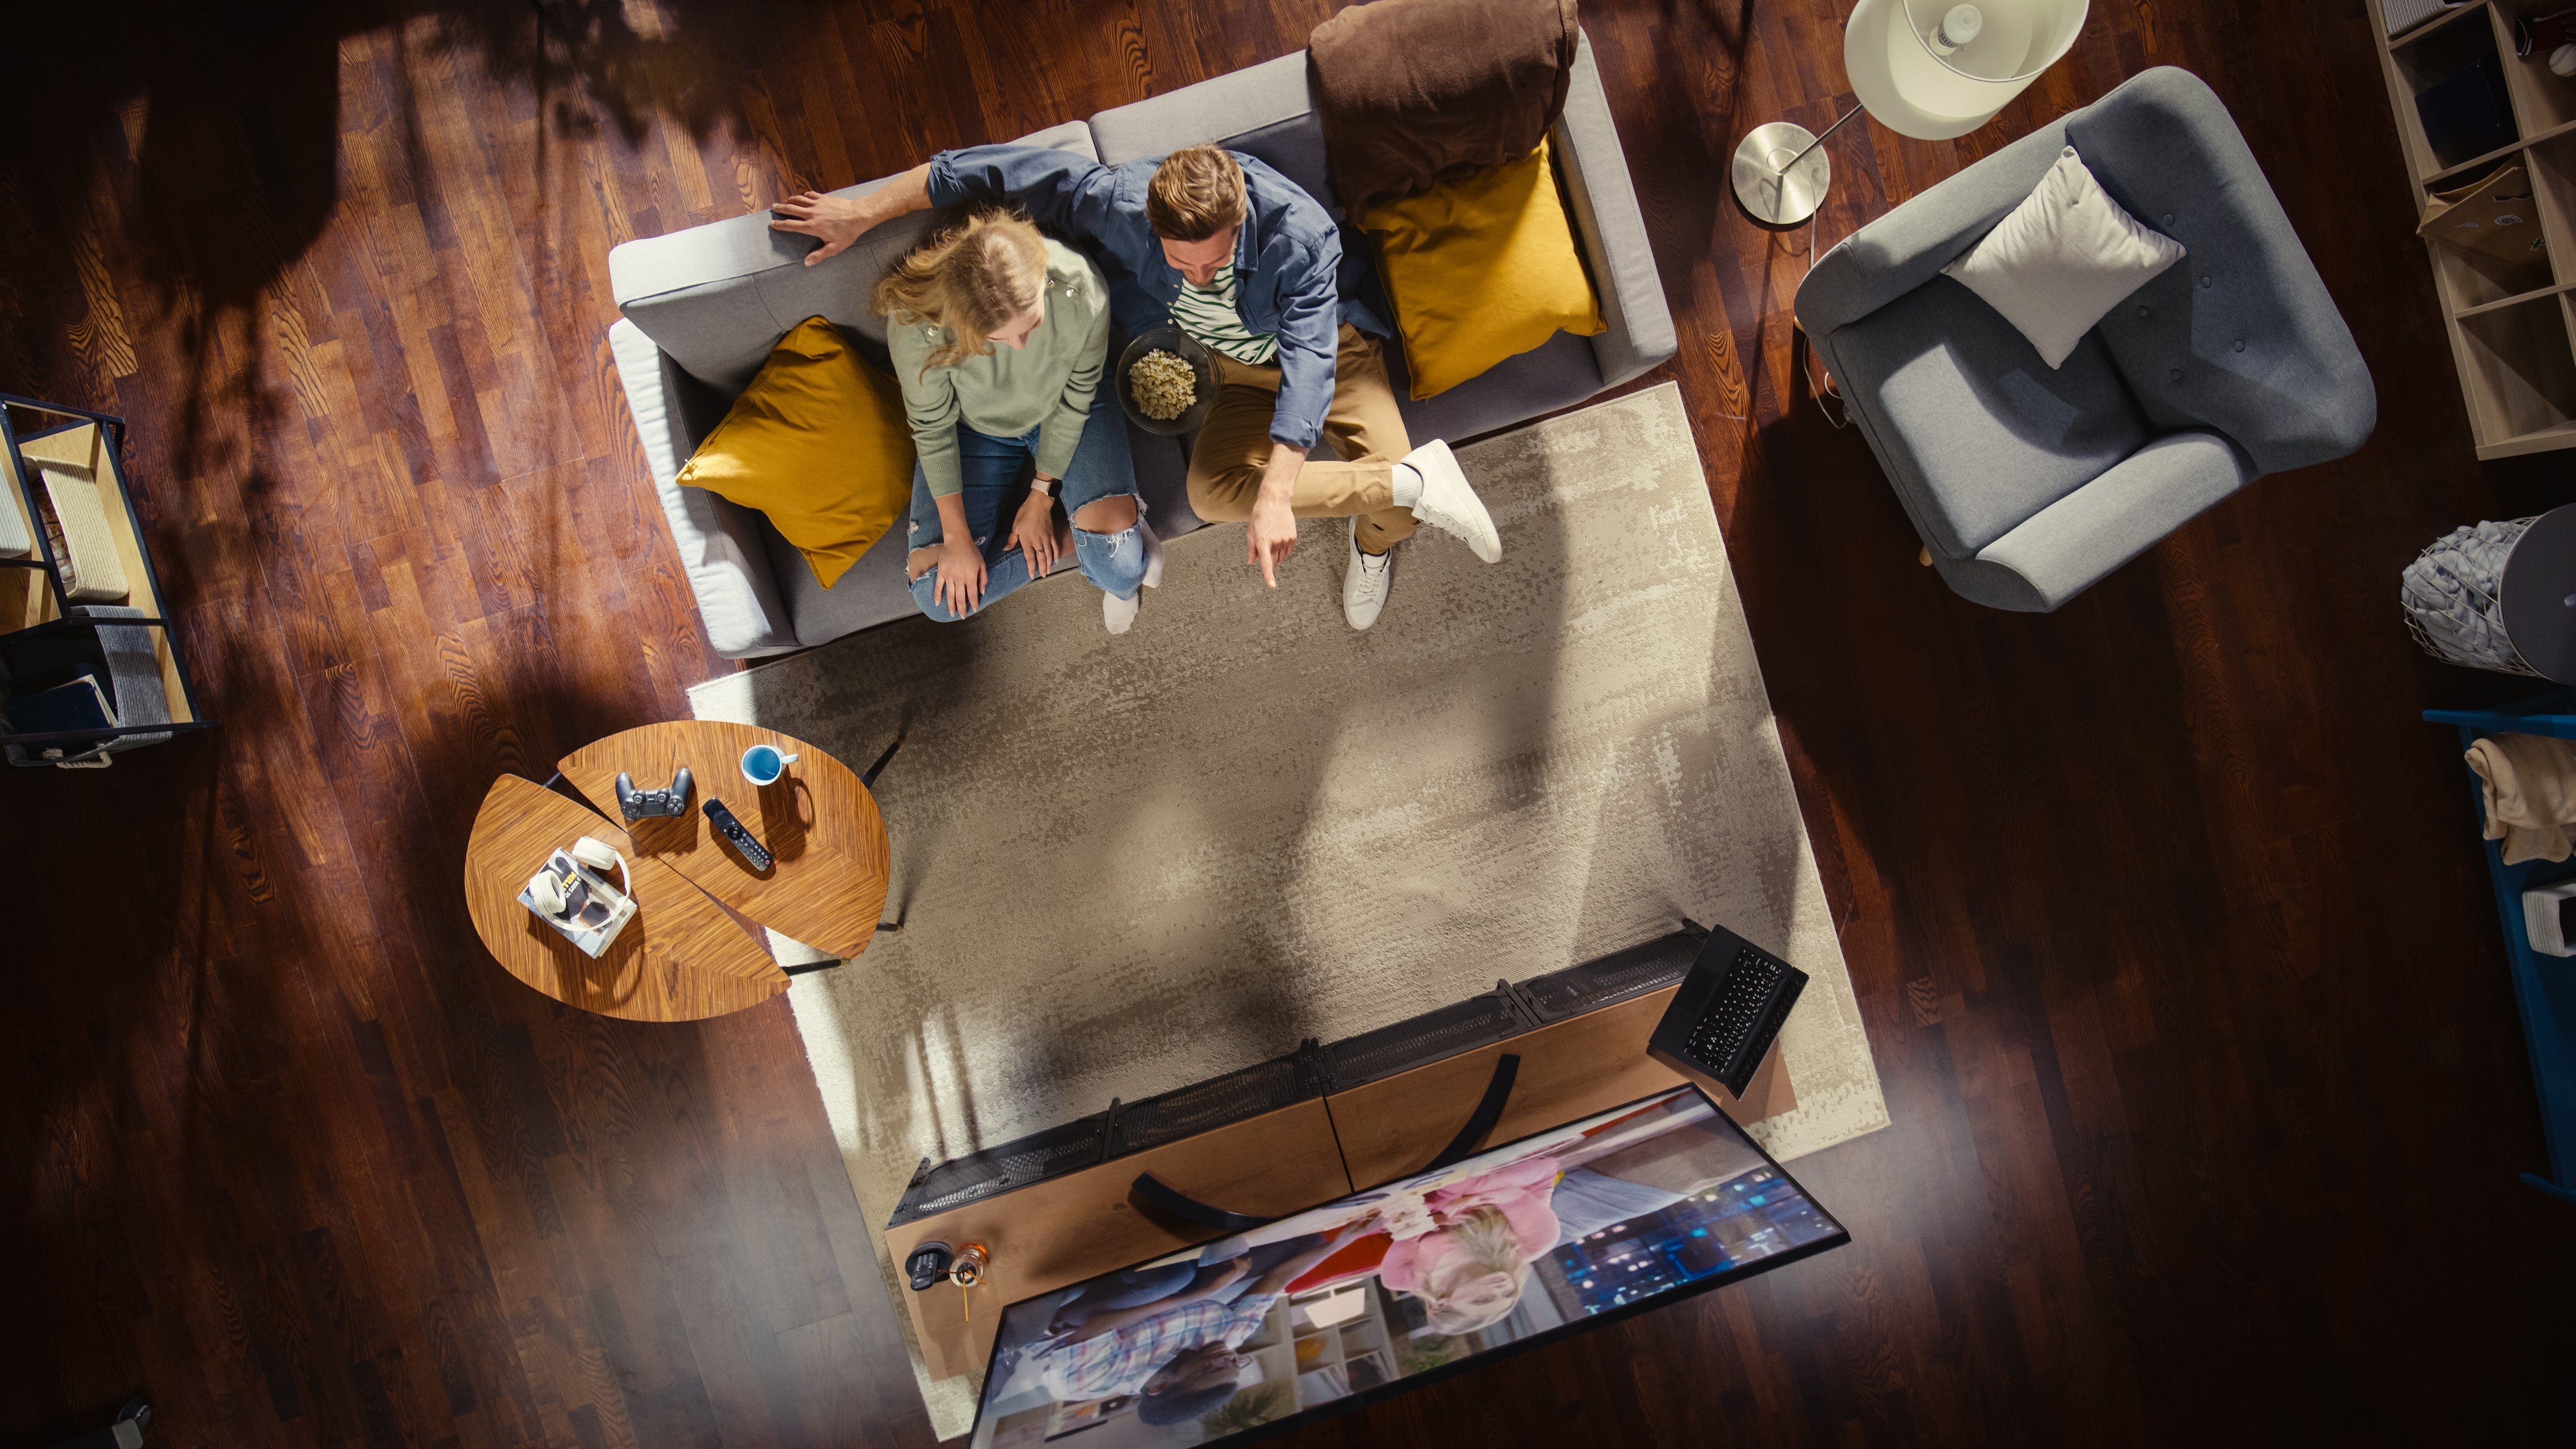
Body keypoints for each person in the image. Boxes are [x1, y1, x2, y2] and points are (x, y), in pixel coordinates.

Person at [773, 144, 1502, 632]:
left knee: (1389, 510)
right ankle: (1409, 483)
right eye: (1179, 264)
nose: (1198, 278)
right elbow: (981, 171)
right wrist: (864, 210)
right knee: (1215, 494)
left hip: (1327, 360)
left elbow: (1311, 366)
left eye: (1214, 266)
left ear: (1241, 217)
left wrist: (1280, 493)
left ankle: (1387, 519)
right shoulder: (1116, 202)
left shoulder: (1300, 236)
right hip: (1227, 376)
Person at [871, 208, 1160, 632]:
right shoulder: (916, 322)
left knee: (1122, 573)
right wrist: (957, 539)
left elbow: (1078, 395)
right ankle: (1087, 537)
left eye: (1031, 325)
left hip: (1067, 407)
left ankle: (1111, 547)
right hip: (973, 430)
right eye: (999, 339)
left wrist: (1042, 497)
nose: (1021, 347)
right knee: (938, 594)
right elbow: (932, 428)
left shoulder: (1080, 286)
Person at [1011, 1223, 1369, 1424]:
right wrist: (1343, 1243)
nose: (1227, 1358)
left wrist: (1197, 1297)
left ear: (1160, 1386)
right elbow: (1275, 1282)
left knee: (1171, 1277)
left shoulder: (1087, 1383)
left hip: (1083, 1318)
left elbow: (1094, 1327)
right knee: (1307, 1241)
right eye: (1234, 1364)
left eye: (1213, 1368)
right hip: (1194, 1291)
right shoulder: (1229, 1343)